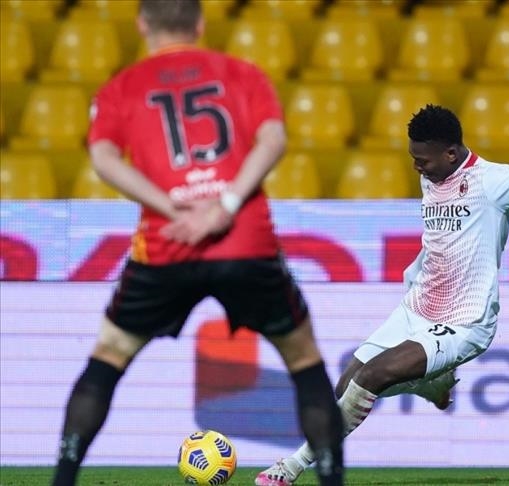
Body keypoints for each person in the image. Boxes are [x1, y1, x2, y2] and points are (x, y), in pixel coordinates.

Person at [50, 1, 344, 485]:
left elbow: (103, 158)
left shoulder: (121, 86)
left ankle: (62, 479)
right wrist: (224, 205)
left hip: (168, 243)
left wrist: (173, 208)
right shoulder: (243, 74)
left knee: (109, 354)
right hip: (244, 240)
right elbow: (273, 140)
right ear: (200, 24)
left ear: (142, 24)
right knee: (303, 358)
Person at [254, 104, 509, 486]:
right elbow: (440, 239)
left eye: (422, 160)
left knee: (373, 375)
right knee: (347, 385)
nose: (416, 167)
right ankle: (430, 383)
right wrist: (415, 270)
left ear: (451, 153)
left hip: (465, 319)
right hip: (419, 305)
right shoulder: (432, 177)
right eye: (414, 159)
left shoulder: (493, 181)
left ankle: (290, 468)